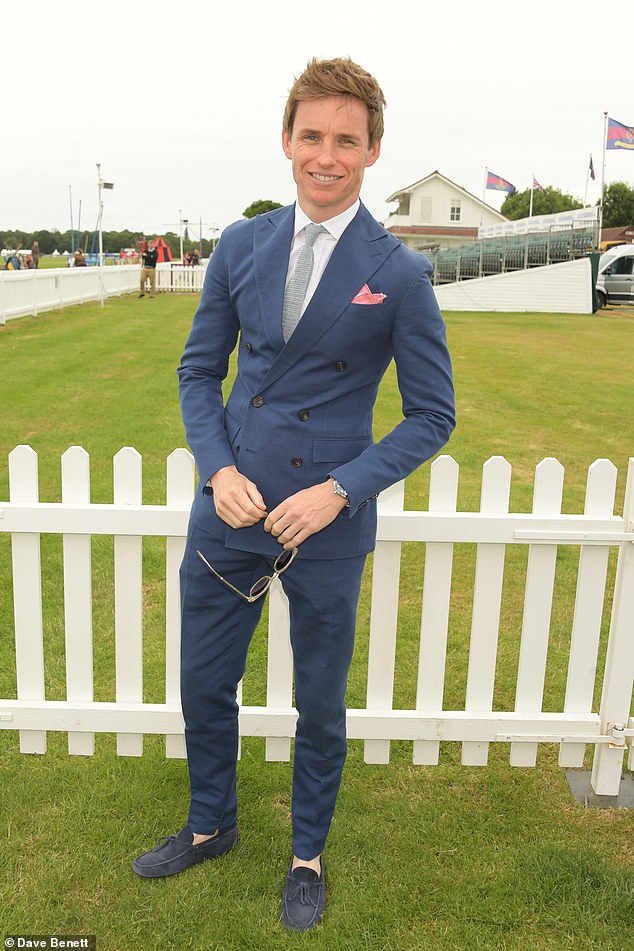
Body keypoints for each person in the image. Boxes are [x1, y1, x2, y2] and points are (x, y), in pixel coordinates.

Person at [132, 57, 455, 932]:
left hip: (326, 520)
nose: (326, 154)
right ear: (287, 140)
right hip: (230, 505)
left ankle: (306, 852)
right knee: (204, 681)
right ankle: (210, 825)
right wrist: (216, 467)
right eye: (311, 135)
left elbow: (433, 414)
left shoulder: (400, 272)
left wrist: (341, 493)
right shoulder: (241, 245)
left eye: (345, 139)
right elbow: (201, 370)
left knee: (319, 696)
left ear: (372, 151)